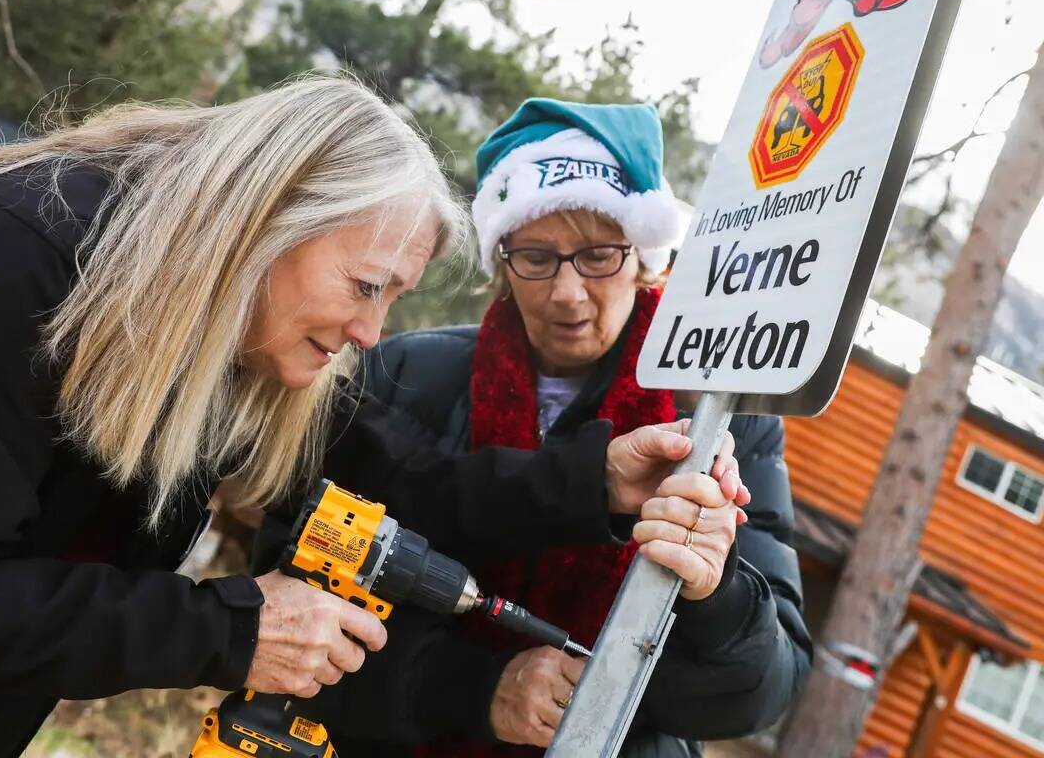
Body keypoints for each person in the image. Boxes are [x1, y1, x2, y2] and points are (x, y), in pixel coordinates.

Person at [0, 78, 744, 757]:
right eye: (364, 286)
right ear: (269, 221)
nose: (370, 332)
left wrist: (598, 480)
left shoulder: (247, 334)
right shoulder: (8, 262)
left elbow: (403, 479)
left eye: (392, 299)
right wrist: (233, 628)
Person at [257, 99, 813, 757]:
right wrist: (477, 689)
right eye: (537, 258)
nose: (568, 292)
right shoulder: (405, 375)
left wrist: (715, 591)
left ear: (645, 259)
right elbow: (287, 609)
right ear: (502, 264)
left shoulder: (722, 420)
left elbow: (761, 691)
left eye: (599, 255)